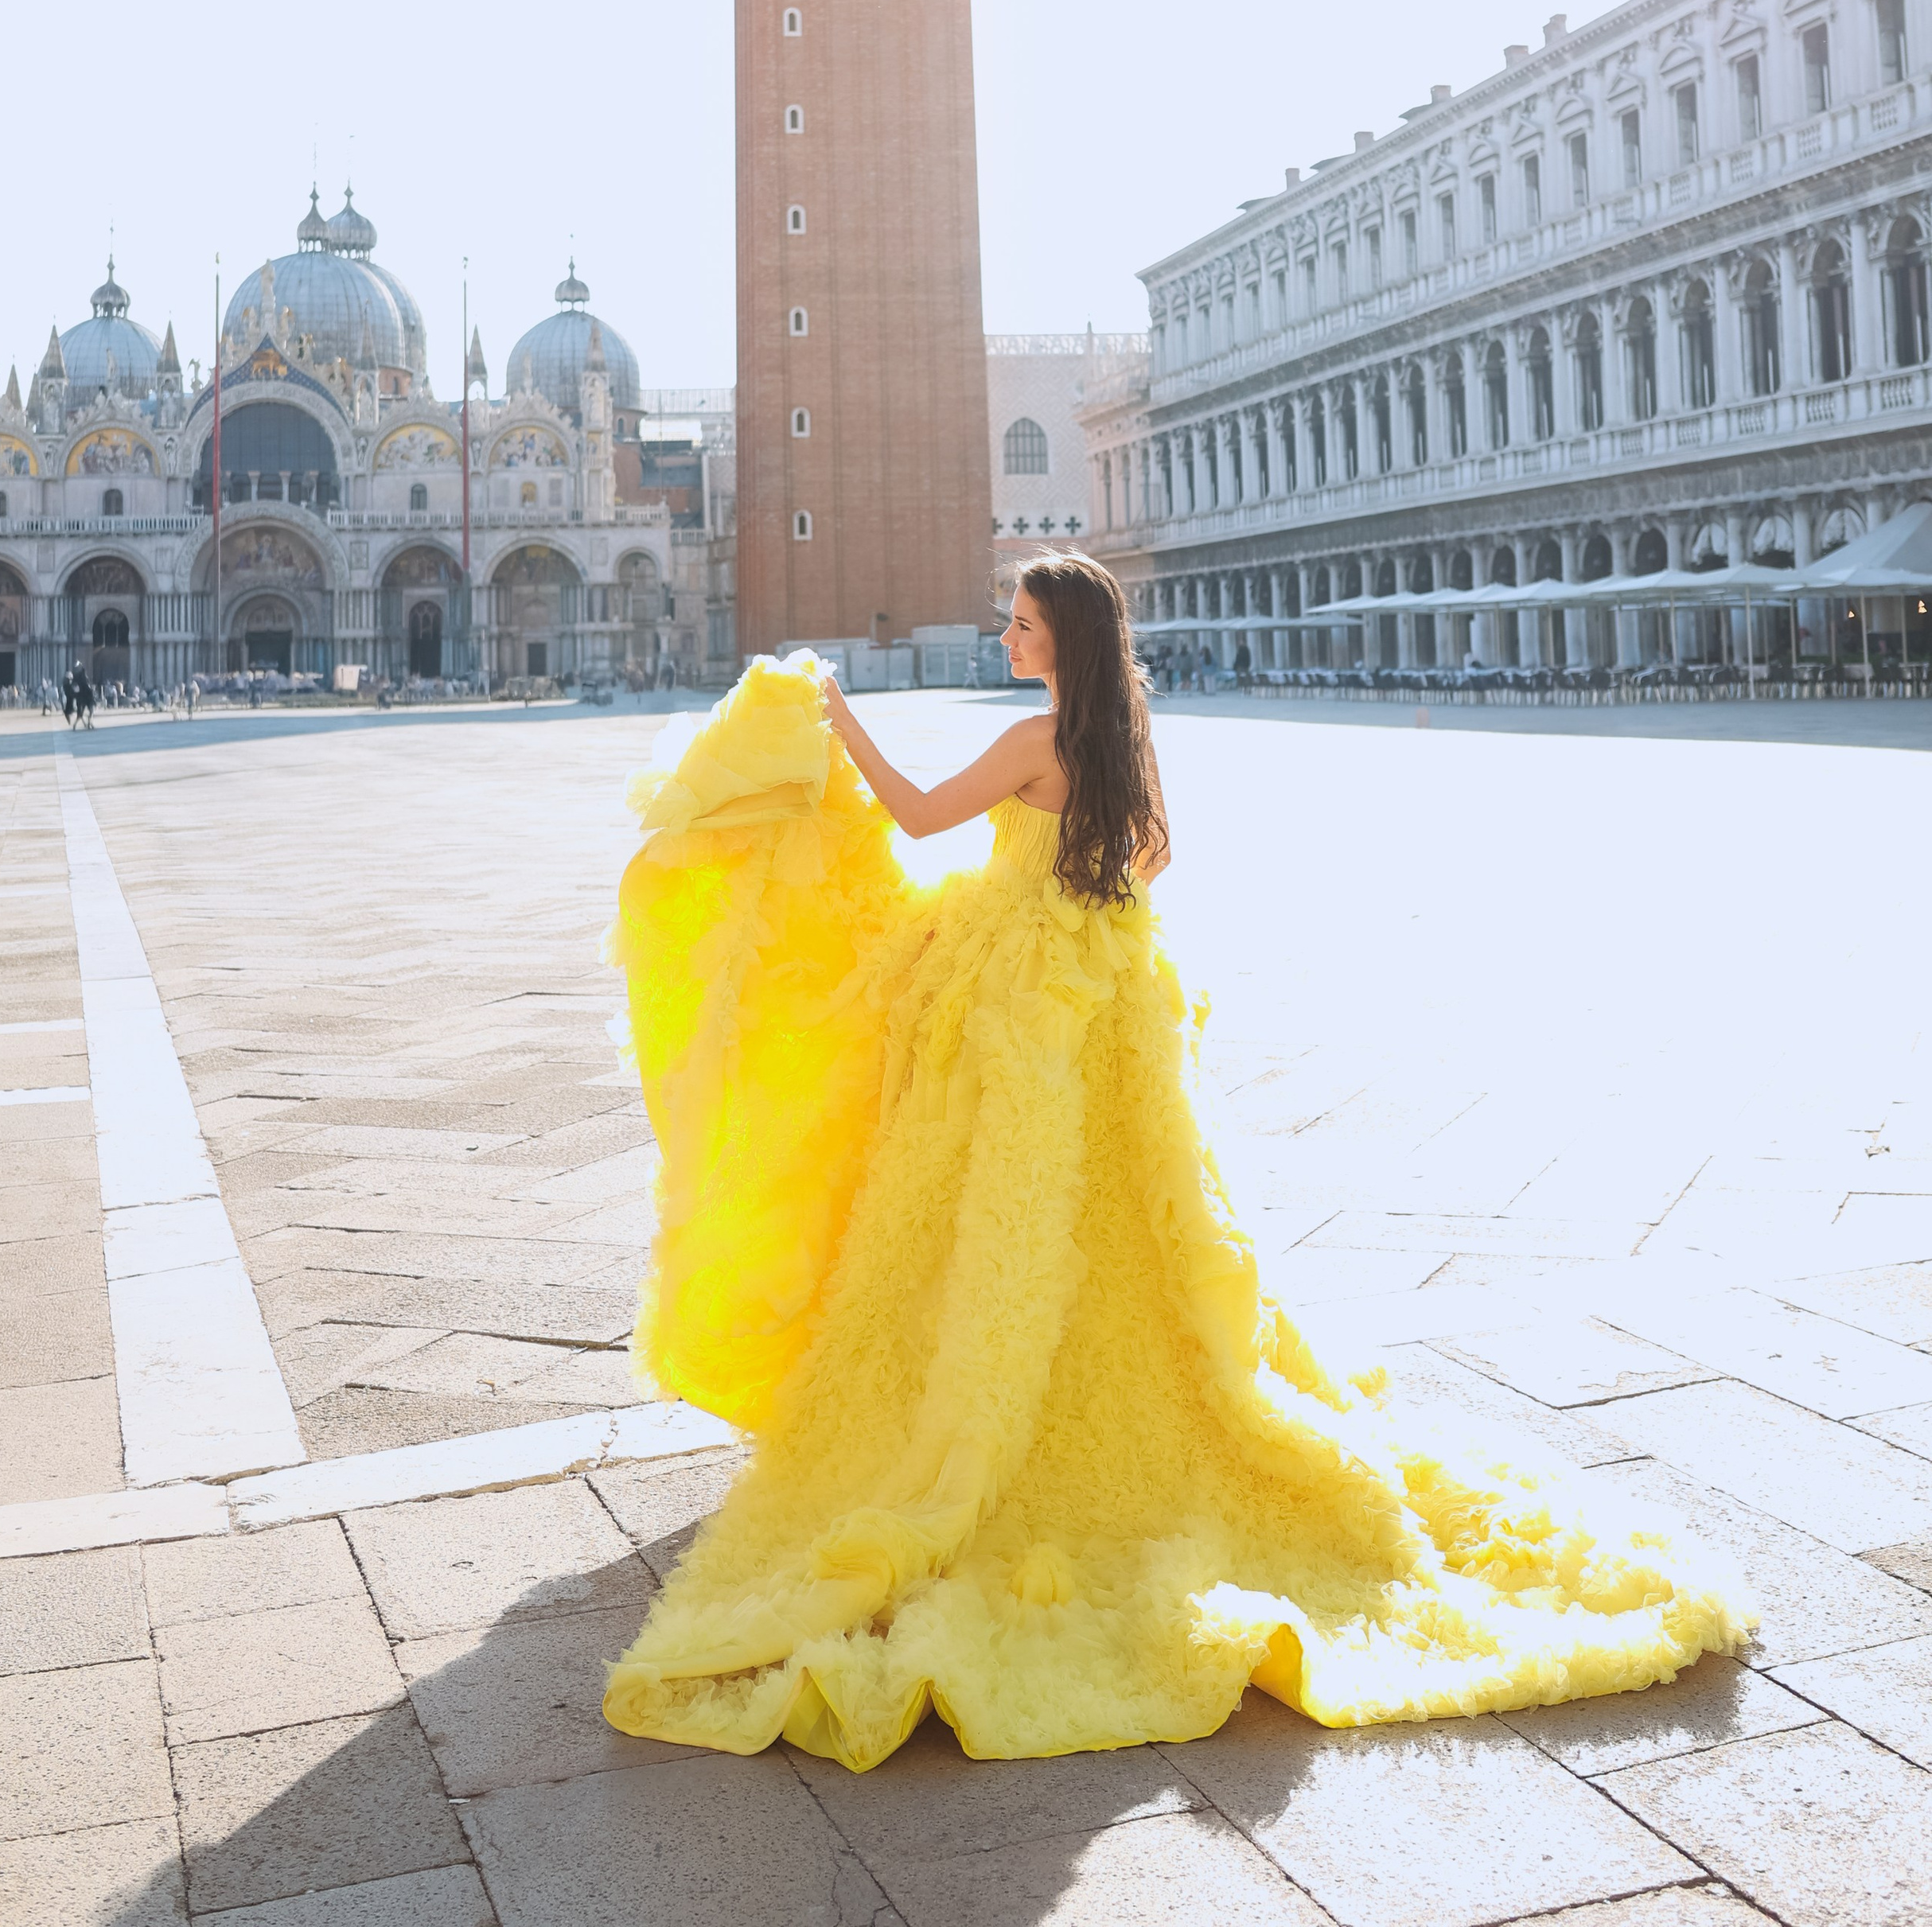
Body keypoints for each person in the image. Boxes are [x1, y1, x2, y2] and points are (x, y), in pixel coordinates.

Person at [601, 551, 1749, 1772]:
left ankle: (1000, 1414)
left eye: (1024, 625)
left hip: (1011, 1004)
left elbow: (918, 814)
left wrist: (844, 725)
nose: (1007, 638)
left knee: (985, 1220)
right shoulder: (1118, 742)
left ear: (1065, 643)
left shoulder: (1029, 741)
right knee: (1120, 1225)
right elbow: (1154, 860)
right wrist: (1064, 906)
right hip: (1106, 1003)